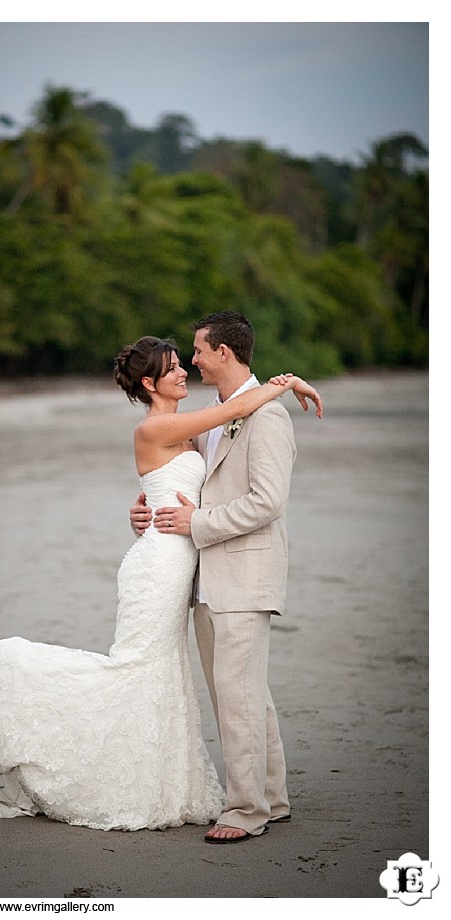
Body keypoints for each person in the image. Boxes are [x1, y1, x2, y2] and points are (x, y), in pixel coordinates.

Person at [0, 334, 322, 833]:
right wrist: (288, 382)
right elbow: (239, 407)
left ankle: (249, 797)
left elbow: (189, 483)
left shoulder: (200, 421)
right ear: (149, 382)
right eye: (174, 366)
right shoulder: (166, 425)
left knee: (194, 681)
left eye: (194, 355)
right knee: (141, 668)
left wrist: (144, 506)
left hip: (195, 562)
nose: (188, 366)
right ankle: (13, 682)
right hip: (162, 566)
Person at [130, 312, 322, 844]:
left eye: (198, 351)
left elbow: (267, 502)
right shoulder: (216, 415)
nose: (192, 361)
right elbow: (181, 481)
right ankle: (272, 798)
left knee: (238, 696)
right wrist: (149, 510)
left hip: (242, 573)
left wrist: (198, 524)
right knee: (244, 694)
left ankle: (245, 810)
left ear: (225, 353)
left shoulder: (267, 417)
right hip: (202, 577)